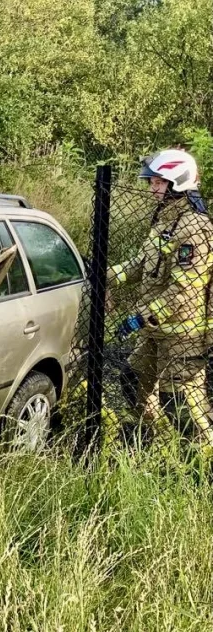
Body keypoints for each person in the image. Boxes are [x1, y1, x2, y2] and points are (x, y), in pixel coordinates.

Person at [109, 149, 213, 453]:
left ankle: (201, 462)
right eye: (152, 182)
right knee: (132, 380)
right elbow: (140, 266)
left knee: (180, 402)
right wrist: (104, 275)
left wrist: (140, 317)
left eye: (157, 182)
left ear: (177, 181)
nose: (151, 188)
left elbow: (185, 291)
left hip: (185, 335)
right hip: (156, 331)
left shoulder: (195, 228)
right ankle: (149, 437)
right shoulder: (165, 221)